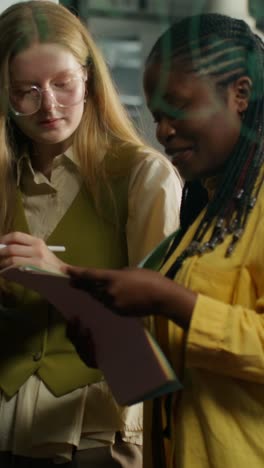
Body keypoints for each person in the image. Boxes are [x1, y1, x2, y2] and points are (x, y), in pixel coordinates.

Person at [66, 13, 264, 468]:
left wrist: (170, 299)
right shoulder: (204, 218)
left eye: (177, 109)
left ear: (240, 94)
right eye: (157, 117)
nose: (163, 132)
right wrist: (108, 345)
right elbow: (182, 375)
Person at [0, 1, 182, 467]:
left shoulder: (144, 176)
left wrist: (63, 279)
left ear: (89, 79)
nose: (49, 105)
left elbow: (161, 345)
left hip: (94, 431)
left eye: (63, 84)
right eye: (27, 91)